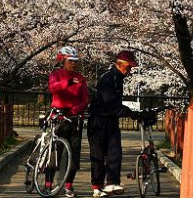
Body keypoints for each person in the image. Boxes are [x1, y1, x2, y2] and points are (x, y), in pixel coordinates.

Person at [88, 50, 141, 197]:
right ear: (120, 64)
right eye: (128, 67)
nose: (130, 70)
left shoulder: (119, 79)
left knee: (115, 153)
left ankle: (111, 183)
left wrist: (130, 113)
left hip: (111, 121)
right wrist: (130, 113)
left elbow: (115, 105)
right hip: (98, 121)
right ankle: (97, 186)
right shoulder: (108, 78)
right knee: (98, 156)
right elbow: (112, 104)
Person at [48, 45, 90, 198]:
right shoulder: (56, 74)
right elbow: (53, 88)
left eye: (75, 61)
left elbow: (85, 98)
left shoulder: (80, 78)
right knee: (55, 151)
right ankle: (49, 183)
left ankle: (68, 186)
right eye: (70, 61)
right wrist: (68, 83)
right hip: (59, 115)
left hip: (74, 117)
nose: (73, 63)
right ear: (63, 61)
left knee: (74, 152)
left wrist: (76, 110)